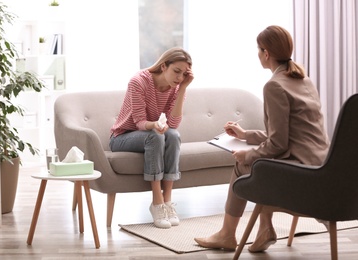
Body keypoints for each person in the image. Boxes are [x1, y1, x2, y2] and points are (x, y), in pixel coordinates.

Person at [194, 25, 329, 252]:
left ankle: (227, 235)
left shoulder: (274, 85)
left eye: (259, 50)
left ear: (266, 53)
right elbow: (293, 135)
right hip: (319, 163)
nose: (258, 54)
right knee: (262, 166)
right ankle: (264, 228)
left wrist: (247, 154)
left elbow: (278, 144)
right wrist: (246, 135)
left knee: (244, 166)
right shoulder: (303, 80)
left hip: (302, 172)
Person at [109, 47, 194, 229]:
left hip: (152, 134)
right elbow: (140, 122)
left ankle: (168, 202)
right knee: (156, 137)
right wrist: (155, 125)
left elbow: (173, 123)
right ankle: (157, 202)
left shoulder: (177, 86)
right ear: (164, 66)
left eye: (183, 74)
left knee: (173, 135)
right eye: (176, 72)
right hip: (122, 138)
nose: (179, 78)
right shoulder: (138, 81)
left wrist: (182, 89)